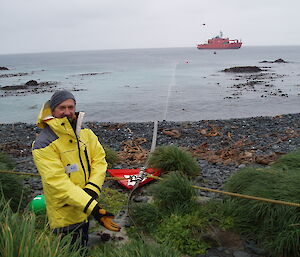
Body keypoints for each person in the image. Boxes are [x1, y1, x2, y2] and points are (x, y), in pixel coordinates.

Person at [32, 90, 120, 251]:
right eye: (62, 108)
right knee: (70, 250)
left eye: (71, 107)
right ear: (52, 110)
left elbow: (99, 160)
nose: (67, 112)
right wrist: (93, 207)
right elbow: (57, 182)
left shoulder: (84, 132)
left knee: (83, 243)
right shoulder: (43, 143)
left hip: (85, 206)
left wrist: (92, 190)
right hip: (64, 213)